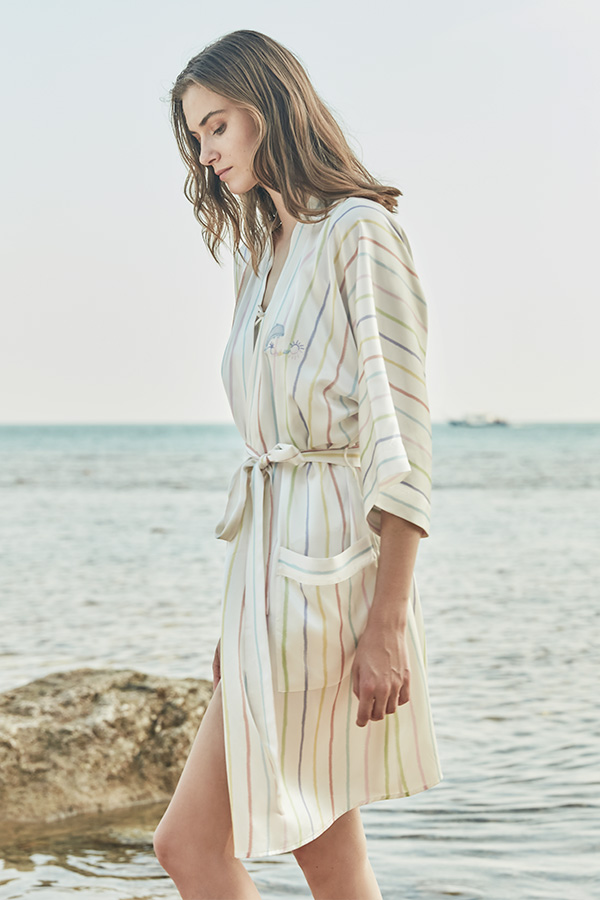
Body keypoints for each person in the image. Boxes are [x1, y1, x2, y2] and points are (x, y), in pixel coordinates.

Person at [153, 29, 443, 900]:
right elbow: (267, 450)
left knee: (192, 845)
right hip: (268, 580)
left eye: (216, 127)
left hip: (333, 584)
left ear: (268, 108)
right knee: (327, 854)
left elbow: (403, 438)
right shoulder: (263, 256)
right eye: (195, 137)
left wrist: (387, 620)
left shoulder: (360, 234)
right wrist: (235, 620)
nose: (205, 155)